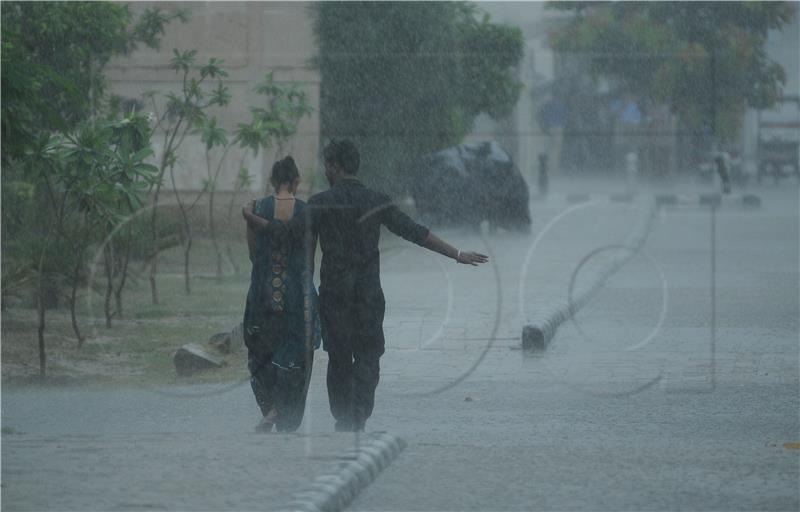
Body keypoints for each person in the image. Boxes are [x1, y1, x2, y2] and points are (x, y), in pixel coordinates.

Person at [243, 139, 488, 432]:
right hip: (368, 295)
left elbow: (283, 234)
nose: (326, 170)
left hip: (335, 296)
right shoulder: (376, 200)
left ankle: (345, 416)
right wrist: (457, 254)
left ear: (334, 166)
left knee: (339, 357)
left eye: (327, 165)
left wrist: (251, 217)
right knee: (369, 355)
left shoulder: (321, 203)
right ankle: (358, 414)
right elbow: (415, 232)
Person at [243, 156, 321, 433]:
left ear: (273, 182)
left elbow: (253, 254)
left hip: (262, 293)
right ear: (296, 181)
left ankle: (270, 408)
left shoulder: (257, 208)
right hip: (297, 296)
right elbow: (310, 259)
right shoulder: (306, 210)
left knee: (262, 354)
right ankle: (283, 413)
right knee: (296, 358)